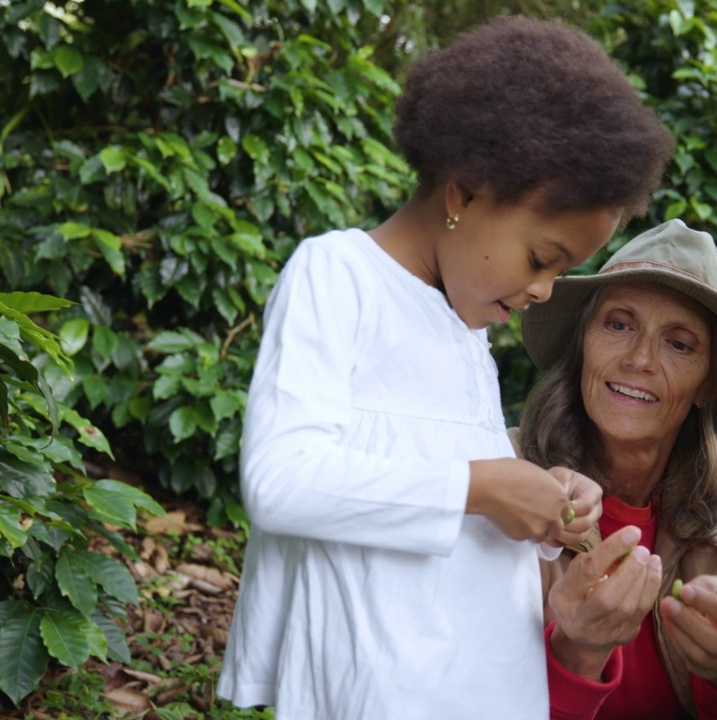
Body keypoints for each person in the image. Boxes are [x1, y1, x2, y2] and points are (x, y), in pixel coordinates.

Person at [216, 17, 673, 720]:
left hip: (484, 683)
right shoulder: (339, 274)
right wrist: (486, 486)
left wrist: (541, 501)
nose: (545, 292)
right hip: (383, 688)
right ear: (464, 194)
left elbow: (443, 482)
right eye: (542, 258)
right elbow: (283, 481)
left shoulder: (463, 329)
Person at [516, 219, 717, 720]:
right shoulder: (504, 478)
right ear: (583, 347)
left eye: (679, 344)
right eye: (618, 325)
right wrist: (576, 653)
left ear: (708, 384)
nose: (639, 359)